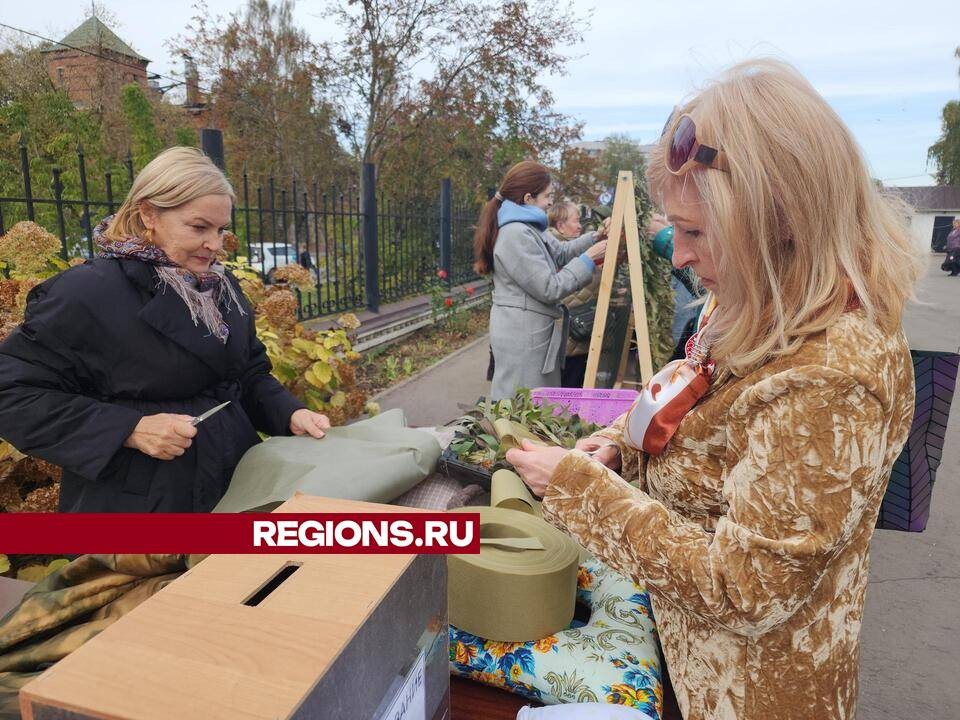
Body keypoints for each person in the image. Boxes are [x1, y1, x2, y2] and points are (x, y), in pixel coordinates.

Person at [505, 59, 922, 720]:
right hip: (682, 660)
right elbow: (693, 403)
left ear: (779, 219)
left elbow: (745, 590)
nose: (678, 257)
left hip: (748, 694)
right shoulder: (755, 301)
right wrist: (621, 443)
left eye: (695, 232)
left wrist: (575, 487)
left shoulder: (831, 375)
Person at [0, 147, 330, 513]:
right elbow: (13, 394)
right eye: (199, 227)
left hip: (237, 486)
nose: (215, 245)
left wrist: (289, 413)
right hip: (139, 511)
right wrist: (128, 428)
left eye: (220, 229)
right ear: (148, 214)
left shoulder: (221, 287)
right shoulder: (85, 294)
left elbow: (248, 375)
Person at [475, 161, 607, 400]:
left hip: (528, 333)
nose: (549, 203)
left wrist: (595, 237)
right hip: (523, 337)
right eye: (547, 196)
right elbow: (550, 287)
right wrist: (590, 258)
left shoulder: (528, 229)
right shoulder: (516, 234)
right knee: (523, 405)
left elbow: (562, 252)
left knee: (532, 404)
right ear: (528, 198)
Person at [548, 201, 602, 388]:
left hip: (574, 331)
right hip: (572, 332)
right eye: (576, 220)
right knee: (570, 384)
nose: (580, 225)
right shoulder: (562, 251)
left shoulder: (565, 246)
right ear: (561, 226)